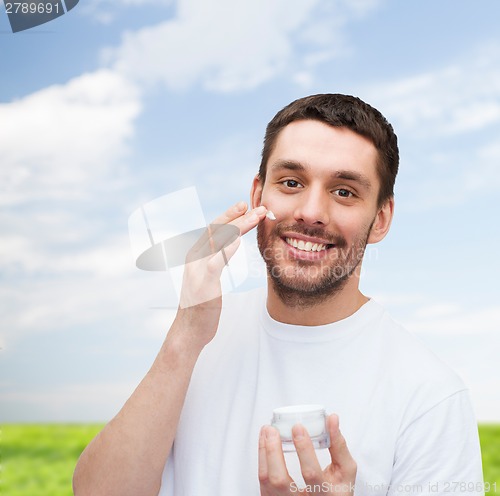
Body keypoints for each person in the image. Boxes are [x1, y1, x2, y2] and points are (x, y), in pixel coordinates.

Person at [73, 94, 484, 496]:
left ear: (380, 218)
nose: (310, 211)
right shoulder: (196, 338)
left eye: (344, 191)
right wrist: (185, 334)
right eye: (291, 182)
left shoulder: (430, 397)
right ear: (257, 196)